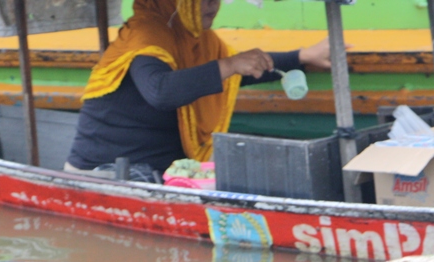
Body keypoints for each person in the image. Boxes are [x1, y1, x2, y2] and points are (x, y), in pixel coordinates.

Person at [66, 0, 333, 176]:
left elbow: (236, 71)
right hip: (108, 173)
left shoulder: (195, 38)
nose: (213, 5)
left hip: (163, 171)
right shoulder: (146, 33)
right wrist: (228, 64)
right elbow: (160, 91)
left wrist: (302, 57)